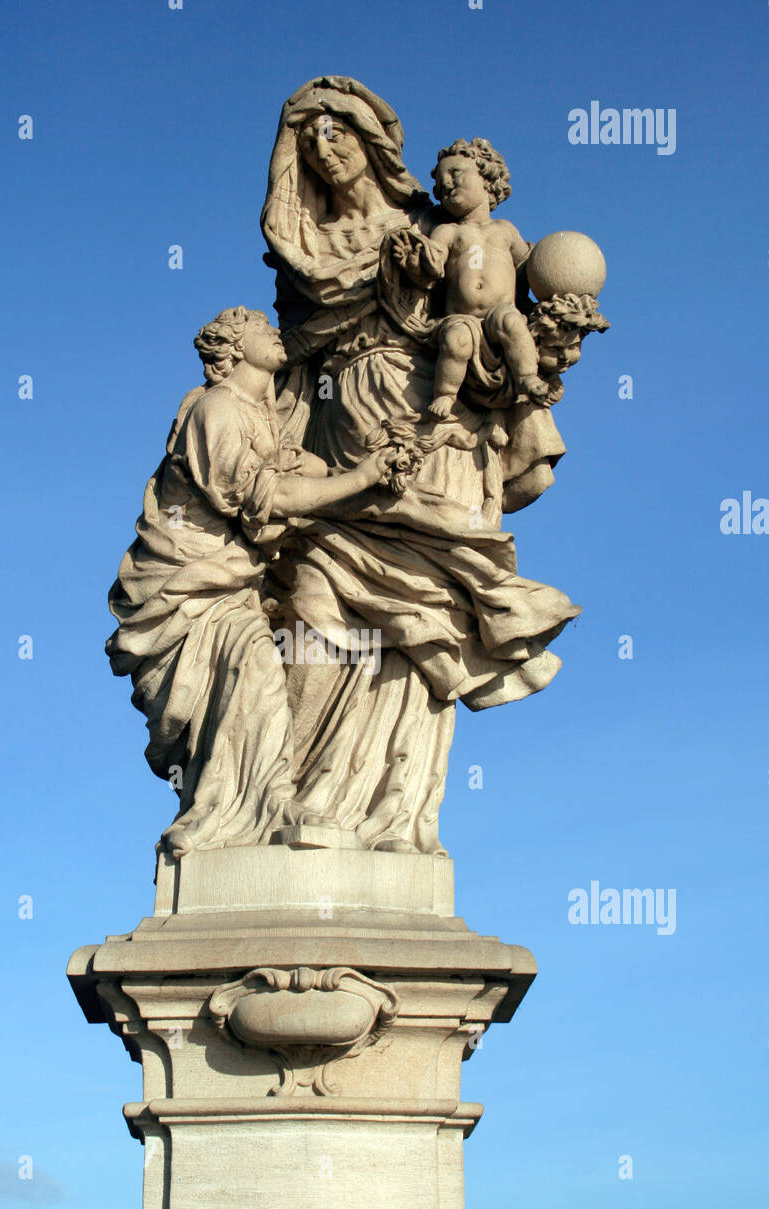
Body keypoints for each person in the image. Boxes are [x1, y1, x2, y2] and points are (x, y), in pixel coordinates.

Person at [261, 78, 580, 854]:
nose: (325, 151)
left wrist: (547, 343)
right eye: (309, 143)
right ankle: (286, 795)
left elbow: (476, 334)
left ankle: (388, 815)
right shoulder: (302, 251)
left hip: (428, 430)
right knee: (313, 596)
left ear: (371, 143)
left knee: (421, 613)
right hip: (333, 429)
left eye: (338, 135)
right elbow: (290, 357)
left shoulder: (425, 228)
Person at [106, 305, 388, 857]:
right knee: (254, 667)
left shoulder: (261, 418)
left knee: (254, 676)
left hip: (229, 587)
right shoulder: (216, 410)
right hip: (188, 585)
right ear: (235, 348)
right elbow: (266, 498)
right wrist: (364, 478)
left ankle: (257, 802)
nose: (276, 334)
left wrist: (346, 472)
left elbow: (294, 471)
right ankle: (239, 809)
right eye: (263, 328)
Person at [387, 137, 549, 417]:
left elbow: (528, 270)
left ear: (487, 178)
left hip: (500, 312)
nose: (446, 184)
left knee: (513, 324)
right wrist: (414, 262)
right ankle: (446, 394)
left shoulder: (505, 230)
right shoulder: (447, 232)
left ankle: (527, 377)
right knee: (456, 341)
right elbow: (432, 267)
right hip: (461, 317)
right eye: (440, 182)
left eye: (455, 173)